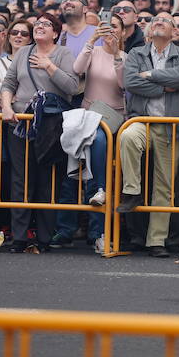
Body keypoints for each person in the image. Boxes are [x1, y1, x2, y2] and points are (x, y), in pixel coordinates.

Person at [116, 12, 179, 257]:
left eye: (165, 21)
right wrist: (164, 87)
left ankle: (156, 241)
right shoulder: (138, 53)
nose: (159, 21)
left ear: (174, 32)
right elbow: (130, 82)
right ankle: (132, 191)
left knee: (165, 185)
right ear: (149, 30)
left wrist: (149, 76)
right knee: (127, 137)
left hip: (172, 126)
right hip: (143, 121)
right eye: (155, 20)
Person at [0, 13, 79, 253]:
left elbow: (72, 87)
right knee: (20, 181)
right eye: (38, 24)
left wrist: (50, 67)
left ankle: (45, 237)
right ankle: (20, 237)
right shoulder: (23, 52)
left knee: (47, 182)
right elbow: (9, 83)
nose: (40, 27)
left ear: (56, 32)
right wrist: (5, 106)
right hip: (20, 124)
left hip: (50, 128)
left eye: (46, 25)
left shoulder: (63, 54)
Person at [72, 14, 127, 253]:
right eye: (106, 26)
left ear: (123, 32)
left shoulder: (126, 57)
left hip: (114, 119)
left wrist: (116, 54)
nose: (110, 30)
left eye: (114, 27)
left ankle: (100, 227)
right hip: (89, 117)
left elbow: (125, 85)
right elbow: (77, 69)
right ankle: (97, 230)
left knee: (101, 165)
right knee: (98, 160)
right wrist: (91, 39)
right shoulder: (92, 52)